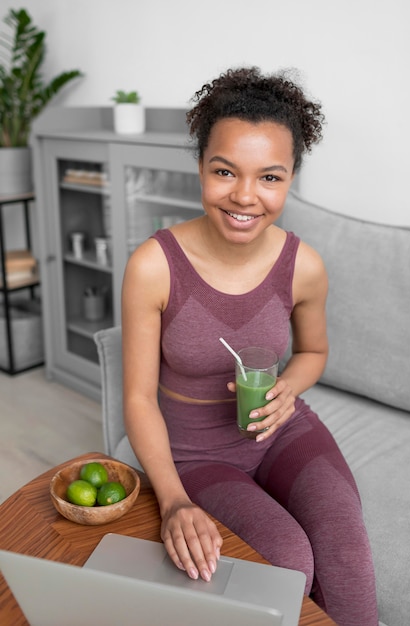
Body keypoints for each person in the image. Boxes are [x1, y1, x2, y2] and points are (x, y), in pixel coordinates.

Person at [122, 67, 378, 626]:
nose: (244, 196)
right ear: (200, 168)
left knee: (350, 559)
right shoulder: (153, 266)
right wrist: (173, 500)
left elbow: (312, 353)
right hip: (197, 453)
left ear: (290, 180)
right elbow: (139, 399)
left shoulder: (303, 266)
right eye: (224, 171)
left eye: (269, 177)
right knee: (286, 564)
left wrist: (289, 387)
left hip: (284, 433)